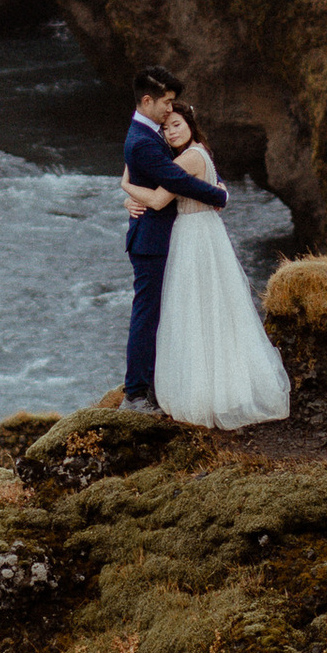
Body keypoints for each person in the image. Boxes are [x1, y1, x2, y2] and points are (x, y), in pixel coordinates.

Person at [121, 93, 291, 431]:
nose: (171, 132)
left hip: (193, 235)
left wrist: (126, 186)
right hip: (202, 233)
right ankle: (216, 381)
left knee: (193, 310)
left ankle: (201, 390)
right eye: (166, 128)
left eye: (177, 125)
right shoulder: (199, 153)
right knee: (211, 308)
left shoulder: (187, 159)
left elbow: (157, 199)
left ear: (190, 125)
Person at [118, 67, 227, 410]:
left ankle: (158, 384)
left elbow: (177, 167)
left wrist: (127, 188)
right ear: (147, 101)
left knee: (170, 312)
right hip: (152, 241)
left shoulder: (150, 133)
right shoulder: (142, 140)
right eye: (166, 102)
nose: (170, 110)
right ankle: (135, 393)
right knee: (147, 316)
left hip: (171, 235)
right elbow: (176, 181)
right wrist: (218, 195)